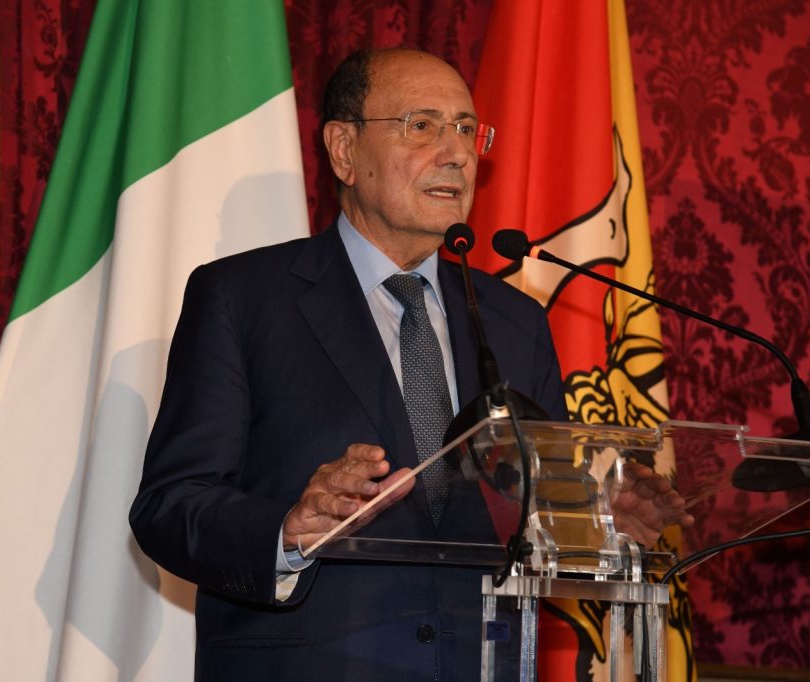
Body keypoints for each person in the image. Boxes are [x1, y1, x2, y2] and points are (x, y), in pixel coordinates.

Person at [129, 47, 691, 681]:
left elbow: (537, 515)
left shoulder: (515, 322)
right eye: (421, 125)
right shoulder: (243, 299)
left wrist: (602, 520)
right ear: (344, 150)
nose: (456, 153)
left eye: (465, 129)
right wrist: (287, 529)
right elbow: (169, 507)